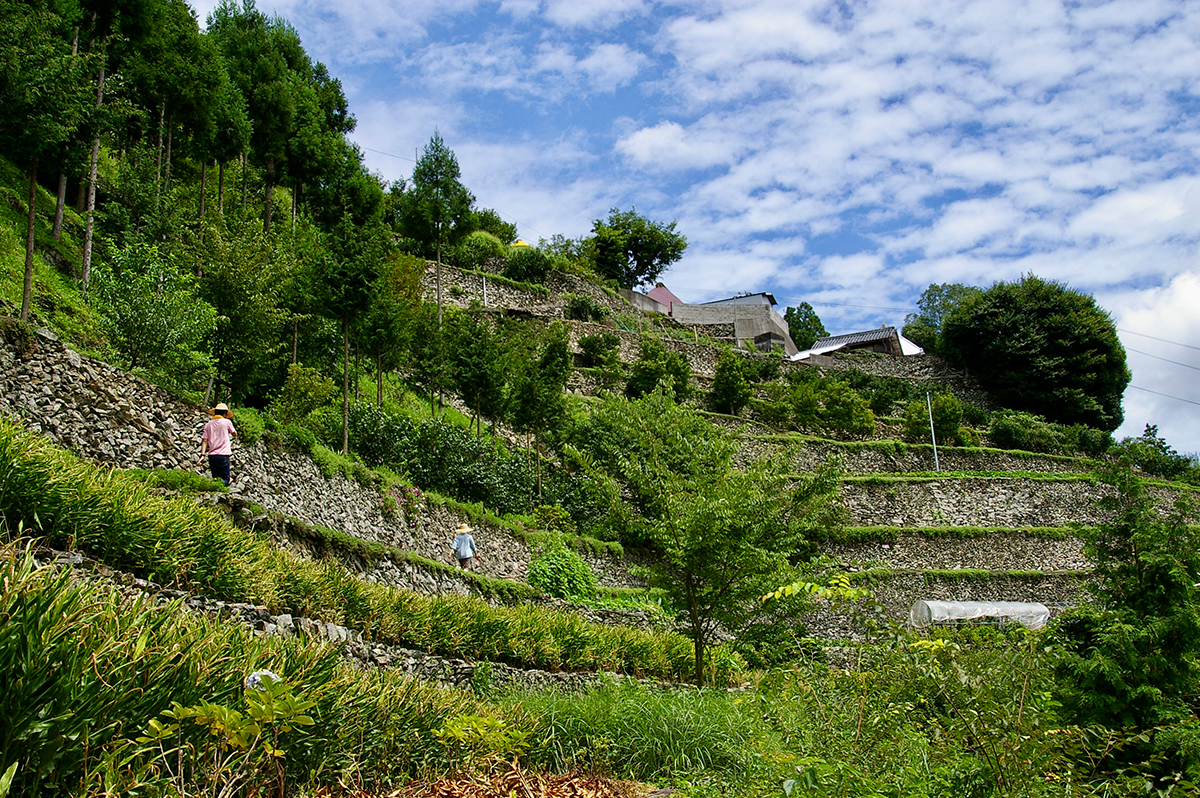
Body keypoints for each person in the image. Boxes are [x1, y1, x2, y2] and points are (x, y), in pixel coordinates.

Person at [198, 402, 238, 486]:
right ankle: (223, 494)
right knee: (225, 479)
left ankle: (214, 493)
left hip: (212, 455)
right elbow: (234, 433)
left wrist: (202, 455)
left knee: (215, 479)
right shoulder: (226, 422)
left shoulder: (208, 424)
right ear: (225, 413)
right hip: (223, 454)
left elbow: (204, 441)